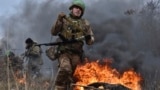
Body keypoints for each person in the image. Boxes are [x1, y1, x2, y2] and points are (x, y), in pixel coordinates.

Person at [50, 0, 94, 89]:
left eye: (80, 9)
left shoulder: (85, 23)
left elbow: (90, 41)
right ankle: (58, 87)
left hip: (76, 54)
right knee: (65, 69)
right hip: (64, 52)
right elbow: (54, 32)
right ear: (72, 9)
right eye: (76, 8)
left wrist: (89, 38)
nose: (78, 10)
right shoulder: (64, 20)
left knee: (70, 75)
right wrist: (59, 20)